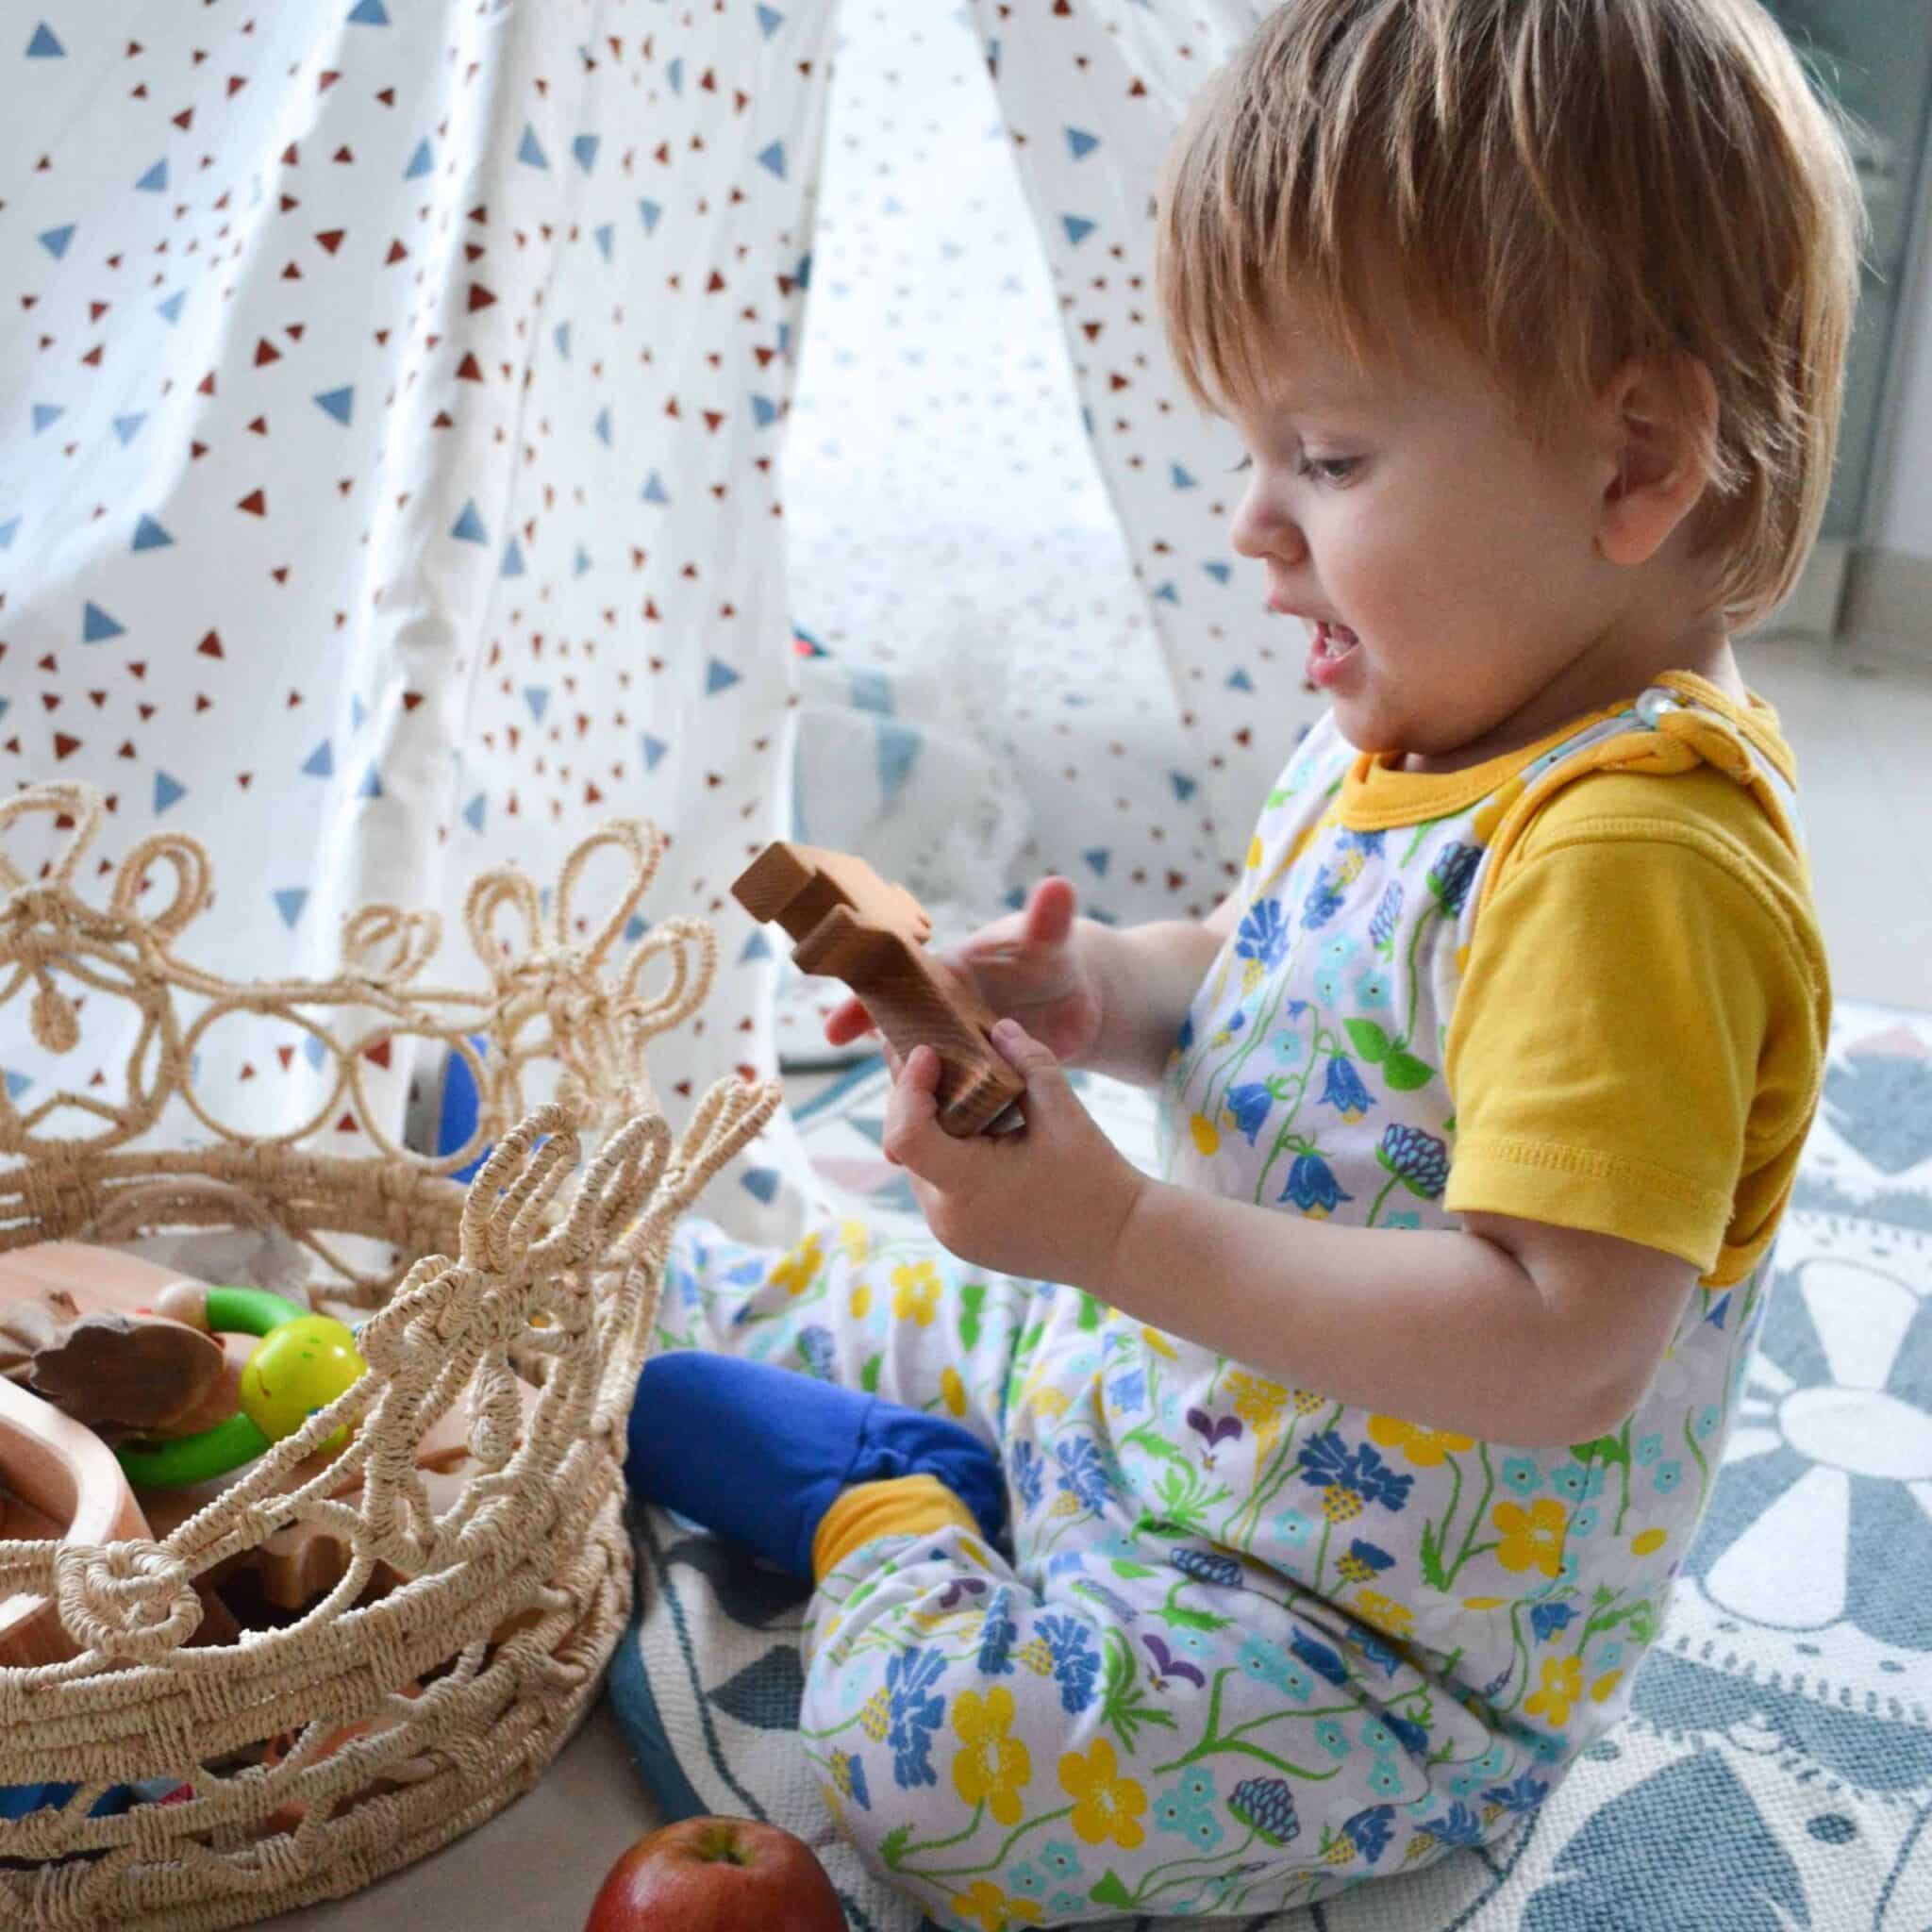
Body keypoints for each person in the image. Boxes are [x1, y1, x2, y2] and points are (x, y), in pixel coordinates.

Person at [625, 0, 1857, 1919]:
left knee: (951, 1787)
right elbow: (1298, 967)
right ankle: (621, 1260)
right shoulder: (1443, 714)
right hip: (1178, 1394)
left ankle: (884, 1507)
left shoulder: (1639, 863)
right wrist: (1115, 989)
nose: (1252, 525)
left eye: (1331, 456)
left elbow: (1558, 1346)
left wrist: (1117, 1233)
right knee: (768, 1266)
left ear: (1634, 459)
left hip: (1357, 1633)